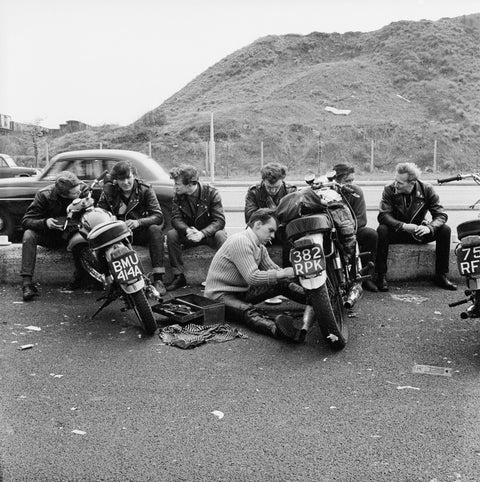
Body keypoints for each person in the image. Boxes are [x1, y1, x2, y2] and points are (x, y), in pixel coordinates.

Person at [204, 208, 309, 341]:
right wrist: (283, 272)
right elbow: (253, 277)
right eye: (270, 230)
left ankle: (314, 301)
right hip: (219, 297)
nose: (273, 236)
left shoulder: (260, 247)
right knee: (249, 311)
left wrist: (300, 275)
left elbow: (276, 272)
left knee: (282, 283)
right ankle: (278, 330)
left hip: (241, 292)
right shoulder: (240, 241)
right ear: (258, 224)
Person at [375, 162, 457, 291]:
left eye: (400, 183)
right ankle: (381, 275)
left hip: (419, 232)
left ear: (412, 183)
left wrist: (429, 228)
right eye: (395, 180)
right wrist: (403, 226)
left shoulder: (427, 189)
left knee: (445, 230)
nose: (396, 184)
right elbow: (383, 216)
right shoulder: (389, 189)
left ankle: (441, 275)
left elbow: (441, 215)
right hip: (398, 231)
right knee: (382, 230)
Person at [97, 161, 166, 295]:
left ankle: (158, 279)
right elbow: (100, 212)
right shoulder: (108, 191)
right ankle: (110, 279)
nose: (126, 182)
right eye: (121, 179)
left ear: (134, 175)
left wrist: (138, 222)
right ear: (116, 180)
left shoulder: (145, 189)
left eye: (129, 177)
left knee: (155, 230)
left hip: (139, 232)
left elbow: (158, 216)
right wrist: (111, 220)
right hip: (118, 235)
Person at [20, 171, 90, 301]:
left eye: (79, 190)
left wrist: (89, 205)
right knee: (28, 235)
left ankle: (82, 277)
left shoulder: (83, 189)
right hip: (51, 235)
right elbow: (26, 221)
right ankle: (27, 284)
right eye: (75, 193)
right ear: (63, 194)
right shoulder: (44, 195)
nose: (79, 193)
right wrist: (45, 222)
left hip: (74, 234)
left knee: (83, 234)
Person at [166, 164, 227, 291]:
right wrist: (187, 230)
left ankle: (224, 276)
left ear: (189, 185)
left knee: (221, 235)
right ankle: (179, 276)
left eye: (177, 184)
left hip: (208, 235)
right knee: (172, 234)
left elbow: (219, 221)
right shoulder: (178, 195)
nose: (174, 186)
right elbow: (175, 219)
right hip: (189, 234)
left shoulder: (211, 193)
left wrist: (202, 233)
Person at [332, 163, 378, 292]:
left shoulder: (356, 191)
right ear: (335, 180)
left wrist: (346, 231)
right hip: (331, 231)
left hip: (351, 230)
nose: (351, 183)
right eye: (347, 181)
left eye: (352, 180)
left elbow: (361, 219)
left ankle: (366, 277)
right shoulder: (326, 190)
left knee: (371, 235)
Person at [244, 162, 297, 267]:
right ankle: (251, 271)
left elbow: (293, 216)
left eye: (276, 187)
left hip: (283, 230)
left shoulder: (291, 191)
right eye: (269, 187)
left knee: (293, 234)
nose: (273, 190)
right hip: (263, 228)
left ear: (282, 181)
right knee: (248, 235)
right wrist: (276, 213)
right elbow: (250, 217)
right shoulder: (254, 191)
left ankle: (289, 273)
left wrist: (268, 214)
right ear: (263, 181)